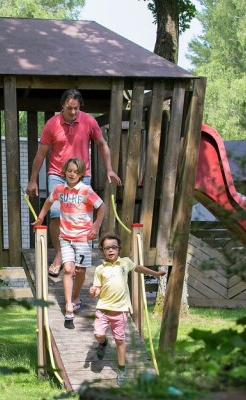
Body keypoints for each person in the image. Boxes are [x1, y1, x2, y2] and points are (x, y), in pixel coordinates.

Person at [26, 88, 121, 315]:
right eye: (69, 108)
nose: (72, 112)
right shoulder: (52, 124)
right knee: (57, 212)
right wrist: (32, 180)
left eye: (76, 108)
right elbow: (41, 153)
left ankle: (76, 250)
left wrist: (108, 168)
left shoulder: (88, 122)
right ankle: (59, 254)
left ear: (80, 107)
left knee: (81, 215)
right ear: (62, 106)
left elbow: (102, 145)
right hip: (57, 173)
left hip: (82, 173)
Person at [32, 157, 104, 328]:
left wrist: (96, 226)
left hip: (83, 238)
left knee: (79, 271)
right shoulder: (59, 189)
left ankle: (76, 297)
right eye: (69, 171)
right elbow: (49, 201)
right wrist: (41, 217)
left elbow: (102, 206)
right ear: (64, 171)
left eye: (76, 172)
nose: (72, 174)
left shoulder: (86, 190)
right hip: (65, 237)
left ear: (80, 175)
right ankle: (69, 306)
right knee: (68, 269)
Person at [89, 233, 167, 386]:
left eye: (114, 247)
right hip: (103, 309)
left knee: (119, 340)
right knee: (98, 334)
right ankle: (103, 343)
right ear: (102, 250)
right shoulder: (100, 269)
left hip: (120, 310)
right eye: (107, 248)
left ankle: (121, 368)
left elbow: (138, 268)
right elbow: (97, 289)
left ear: (119, 249)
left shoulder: (125, 262)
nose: (111, 250)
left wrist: (156, 273)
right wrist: (94, 291)